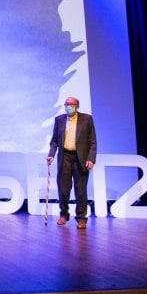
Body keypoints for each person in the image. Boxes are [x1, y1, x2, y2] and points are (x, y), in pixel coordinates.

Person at [47, 97, 97, 228]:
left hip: (81, 158)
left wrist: (91, 159)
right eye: (66, 104)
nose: (68, 106)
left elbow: (93, 142)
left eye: (71, 104)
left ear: (77, 106)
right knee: (63, 189)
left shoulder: (87, 119)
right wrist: (51, 154)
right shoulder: (59, 120)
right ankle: (64, 215)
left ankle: (81, 218)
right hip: (65, 157)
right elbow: (55, 140)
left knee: (81, 190)